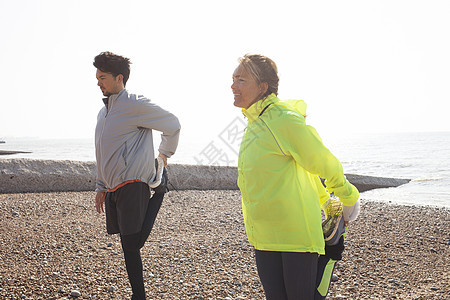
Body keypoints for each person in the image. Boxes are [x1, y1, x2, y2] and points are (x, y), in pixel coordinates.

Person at [231, 54, 360, 300]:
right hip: (264, 236)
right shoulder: (255, 124)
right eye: (233, 79)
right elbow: (301, 169)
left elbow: (320, 160)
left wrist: (348, 196)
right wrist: (324, 199)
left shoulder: (282, 119)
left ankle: (330, 258)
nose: (233, 85)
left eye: (241, 79)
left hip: (295, 237)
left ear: (262, 87)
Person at [93, 51, 181, 299]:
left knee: (132, 243)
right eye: (97, 77)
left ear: (119, 78)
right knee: (128, 246)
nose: (98, 82)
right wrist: (101, 185)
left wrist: (163, 156)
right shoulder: (104, 111)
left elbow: (172, 124)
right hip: (113, 187)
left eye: (102, 77)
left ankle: (160, 191)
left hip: (133, 183)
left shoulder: (134, 103)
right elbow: (102, 150)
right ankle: (138, 295)